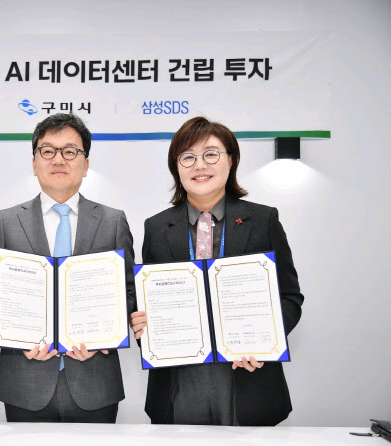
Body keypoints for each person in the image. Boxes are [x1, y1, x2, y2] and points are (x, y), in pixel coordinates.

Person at [130, 116, 303, 426]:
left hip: (247, 376)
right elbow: (148, 302)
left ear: (230, 160)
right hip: (179, 380)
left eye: (211, 154)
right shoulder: (156, 228)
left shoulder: (263, 220)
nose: (200, 165)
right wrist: (142, 324)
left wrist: (264, 343)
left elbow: (289, 297)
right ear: (176, 167)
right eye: (188, 157)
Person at [0, 113, 135, 423]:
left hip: (95, 381)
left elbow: (129, 294)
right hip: (24, 380)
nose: (58, 159)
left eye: (70, 151)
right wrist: (19, 338)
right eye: (48, 151)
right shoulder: (6, 221)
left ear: (85, 164)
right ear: (34, 163)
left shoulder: (113, 221)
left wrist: (103, 337)